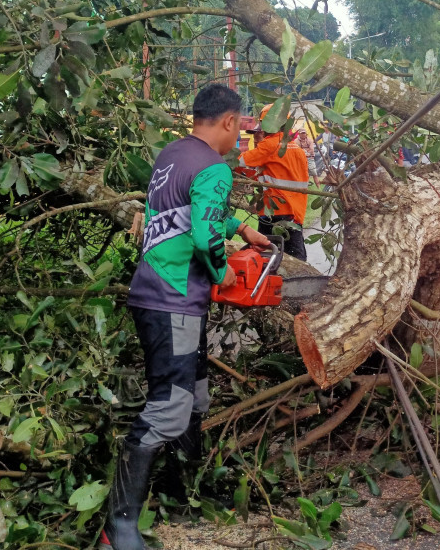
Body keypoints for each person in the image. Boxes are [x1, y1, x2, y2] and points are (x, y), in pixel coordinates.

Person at [104, 84, 270, 550]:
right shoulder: (216, 168)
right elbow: (202, 237)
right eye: (240, 130)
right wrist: (224, 273)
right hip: (173, 301)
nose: (239, 141)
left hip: (154, 294)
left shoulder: (173, 153)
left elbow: (188, 207)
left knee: (195, 396)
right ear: (230, 122)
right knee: (168, 408)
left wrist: (241, 227)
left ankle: (182, 493)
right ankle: (119, 525)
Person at [237, 104, 310, 261]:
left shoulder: (270, 145)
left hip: (274, 211)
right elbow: (272, 172)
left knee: (266, 256)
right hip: (294, 212)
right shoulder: (295, 148)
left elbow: (238, 162)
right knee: (297, 258)